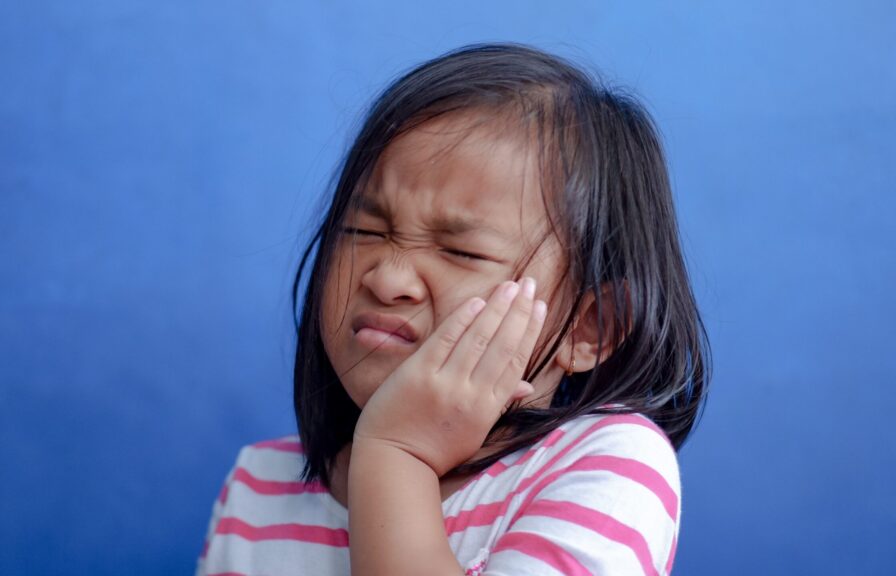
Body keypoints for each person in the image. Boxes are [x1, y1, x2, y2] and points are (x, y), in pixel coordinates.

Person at [196, 42, 709, 576]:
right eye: (362, 230)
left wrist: (399, 454)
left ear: (590, 328)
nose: (388, 277)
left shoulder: (606, 464)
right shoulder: (259, 484)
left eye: (461, 251)